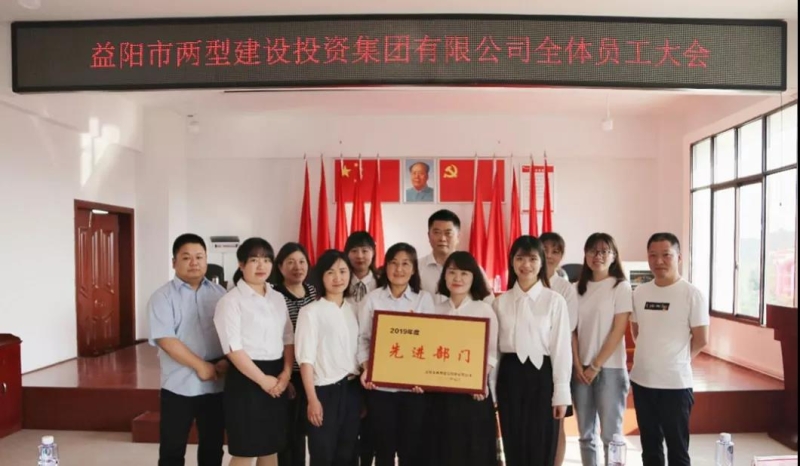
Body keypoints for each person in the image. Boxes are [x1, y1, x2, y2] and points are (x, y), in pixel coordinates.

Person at [213, 238, 294, 466]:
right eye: (254, 260)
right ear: (241, 264)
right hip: (246, 378)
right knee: (245, 450)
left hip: (276, 374)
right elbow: (233, 349)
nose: (261, 265)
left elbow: (288, 338)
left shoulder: (277, 297)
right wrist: (262, 380)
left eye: (267, 260)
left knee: (270, 448)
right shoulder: (230, 301)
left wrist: (286, 374)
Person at [148, 233, 227, 466]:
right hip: (179, 386)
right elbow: (166, 339)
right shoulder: (162, 297)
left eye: (199, 257)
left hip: (216, 384)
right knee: (172, 450)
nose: (194, 262)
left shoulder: (220, 294)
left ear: (206, 260)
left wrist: (227, 361)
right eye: (186, 257)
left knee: (213, 449)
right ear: (174, 262)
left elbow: (231, 335)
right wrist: (201, 366)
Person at [631, 233, 709, 466]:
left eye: (666, 255)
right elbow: (636, 331)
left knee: (677, 449)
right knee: (650, 448)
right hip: (642, 381)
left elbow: (701, 339)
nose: (659, 261)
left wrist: (677, 359)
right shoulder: (639, 292)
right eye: (653, 255)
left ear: (679, 257)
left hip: (675, 384)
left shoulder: (691, 294)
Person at [493, 235, 572, 466]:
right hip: (510, 376)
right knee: (514, 442)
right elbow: (494, 352)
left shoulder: (555, 301)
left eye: (532, 259)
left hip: (543, 376)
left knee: (542, 443)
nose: (525, 264)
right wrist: (492, 390)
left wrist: (561, 394)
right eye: (520, 258)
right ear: (512, 261)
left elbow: (561, 350)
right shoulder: (500, 302)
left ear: (541, 262)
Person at [357, 243, 435, 466]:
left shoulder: (424, 299)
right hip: (381, 388)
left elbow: (430, 341)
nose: (399, 269)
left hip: (414, 389)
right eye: (393, 263)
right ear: (386, 266)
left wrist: (424, 378)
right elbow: (363, 339)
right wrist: (367, 368)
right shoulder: (372, 299)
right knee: (384, 450)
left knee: (412, 450)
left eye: (405, 264)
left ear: (414, 269)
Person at [428, 251, 498, 466]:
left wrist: (478, 382)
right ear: (444, 276)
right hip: (441, 393)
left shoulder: (484, 310)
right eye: (452, 272)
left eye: (464, 273)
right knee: (443, 449)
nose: (457, 278)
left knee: (474, 450)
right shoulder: (435, 310)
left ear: (474, 277)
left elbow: (491, 354)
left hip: (473, 393)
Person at [295, 249, 362, 466]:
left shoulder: (354, 309)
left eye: (343, 271)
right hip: (324, 391)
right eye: (330, 272)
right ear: (321, 276)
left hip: (352, 389)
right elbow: (305, 359)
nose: (338, 278)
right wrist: (312, 399)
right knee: (323, 453)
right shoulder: (311, 311)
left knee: (348, 453)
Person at [572, 233, 632, 466]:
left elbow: (618, 330)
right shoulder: (576, 288)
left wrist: (596, 365)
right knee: (586, 435)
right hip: (581, 370)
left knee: (611, 436)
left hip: (610, 369)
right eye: (592, 251)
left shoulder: (620, 287)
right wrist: (578, 365)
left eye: (604, 251)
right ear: (585, 255)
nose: (598, 256)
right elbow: (572, 331)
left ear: (614, 256)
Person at [269, 243, 318, 466]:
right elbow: (275, 337)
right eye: (290, 262)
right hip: (288, 373)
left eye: (301, 261)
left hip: (313, 373)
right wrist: (285, 375)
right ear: (280, 267)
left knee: (308, 431)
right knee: (289, 434)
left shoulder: (314, 292)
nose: (297, 267)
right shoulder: (274, 295)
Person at [540, 232, 579, 466]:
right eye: (545, 250)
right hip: (530, 363)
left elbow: (568, 326)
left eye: (555, 251)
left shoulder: (565, 288)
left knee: (557, 422)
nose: (549, 255)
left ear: (561, 256)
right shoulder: (525, 281)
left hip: (557, 360)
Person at [343, 231, 378, 466]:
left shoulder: (383, 282)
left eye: (365, 250)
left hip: (375, 364)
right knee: (348, 428)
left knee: (372, 428)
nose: (360, 255)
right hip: (346, 367)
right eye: (354, 250)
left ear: (373, 253)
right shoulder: (339, 280)